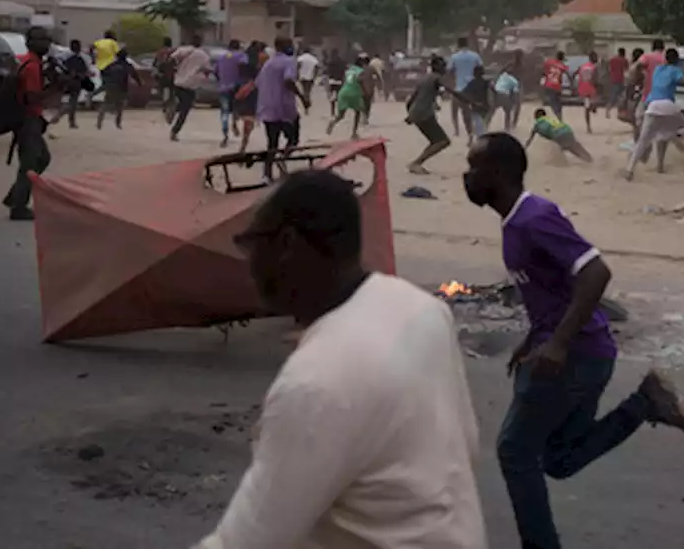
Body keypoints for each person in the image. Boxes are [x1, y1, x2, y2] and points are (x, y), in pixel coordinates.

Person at [199, 170, 486, 549]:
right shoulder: (421, 308)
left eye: (252, 245)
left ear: (286, 244)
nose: (249, 266)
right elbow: (466, 442)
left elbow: (247, 541)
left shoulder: (314, 382)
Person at [463, 133, 684, 549]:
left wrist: (556, 344)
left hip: (575, 356)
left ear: (497, 173)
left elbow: (596, 274)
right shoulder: (516, 222)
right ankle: (646, 402)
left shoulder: (533, 218)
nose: (466, 176)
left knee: (515, 453)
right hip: (583, 353)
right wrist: (533, 338)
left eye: (473, 167)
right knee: (557, 459)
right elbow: (552, 291)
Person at [625, 48, 684, 180]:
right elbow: (683, 81)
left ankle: (630, 169)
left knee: (643, 141)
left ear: (665, 59)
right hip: (669, 107)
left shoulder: (657, 70)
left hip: (652, 107)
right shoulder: (675, 70)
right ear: (677, 61)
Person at [3, 27, 53, 222]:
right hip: (27, 119)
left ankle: (15, 196)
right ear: (32, 42)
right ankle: (19, 206)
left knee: (42, 158)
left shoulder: (25, 60)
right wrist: (53, 90)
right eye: (43, 41)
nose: (47, 45)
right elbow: (32, 97)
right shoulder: (32, 66)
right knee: (31, 162)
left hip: (25, 118)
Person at [256, 37, 308, 182]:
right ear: (285, 46)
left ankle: (266, 174)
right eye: (290, 45)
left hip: (267, 109)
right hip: (285, 109)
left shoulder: (268, 64)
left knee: (272, 143)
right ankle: (283, 158)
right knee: (293, 138)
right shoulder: (288, 61)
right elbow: (288, 80)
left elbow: (259, 83)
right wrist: (302, 97)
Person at [405, 55, 467, 174]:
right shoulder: (437, 78)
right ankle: (416, 163)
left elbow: (411, 99)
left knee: (436, 140)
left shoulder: (424, 78)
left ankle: (417, 163)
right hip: (424, 114)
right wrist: (469, 101)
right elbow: (452, 91)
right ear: (437, 67)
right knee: (443, 141)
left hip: (417, 113)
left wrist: (410, 115)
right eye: (443, 66)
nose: (445, 68)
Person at [167, 35, 212, 142]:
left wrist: (175, 68)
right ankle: (174, 131)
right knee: (185, 110)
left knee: (182, 103)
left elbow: (171, 59)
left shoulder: (183, 50)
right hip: (190, 85)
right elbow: (207, 69)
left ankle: (174, 108)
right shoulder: (203, 55)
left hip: (178, 82)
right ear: (201, 43)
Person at [95, 49, 141, 131]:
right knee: (120, 106)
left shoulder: (112, 65)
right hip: (122, 88)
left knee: (105, 104)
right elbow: (135, 75)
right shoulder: (127, 65)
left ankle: (99, 121)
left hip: (111, 86)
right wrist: (139, 83)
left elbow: (103, 72)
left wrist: (105, 82)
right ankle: (118, 123)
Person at [526, 107, 593, 163]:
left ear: (536, 117)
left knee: (561, 152)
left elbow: (529, 140)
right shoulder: (552, 119)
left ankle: (562, 163)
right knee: (576, 147)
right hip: (568, 131)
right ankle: (590, 160)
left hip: (558, 135)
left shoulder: (537, 125)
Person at [448, 37, 483, 137]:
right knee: (470, 112)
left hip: (459, 89)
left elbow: (449, 71)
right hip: (473, 89)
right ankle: (472, 132)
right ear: (468, 44)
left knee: (454, 110)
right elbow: (481, 68)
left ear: (458, 45)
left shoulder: (454, 57)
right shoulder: (475, 56)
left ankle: (456, 130)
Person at [52, 39, 90, 129]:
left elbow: (62, 68)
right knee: (73, 102)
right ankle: (60, 115)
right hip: (76, 82)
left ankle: (71, 122)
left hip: (66, 81)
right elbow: (84, 71)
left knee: (71, 101)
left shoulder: (65, 57)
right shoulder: (81, 59)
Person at [327, 55, 367, 140]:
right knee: (357, 112)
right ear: (362, 64)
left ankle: (332, 123)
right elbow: (360, 81)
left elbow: (344, 81)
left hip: (344, 92)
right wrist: (365, 92)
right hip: (354, 93)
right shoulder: (361, 71)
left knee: (341, 115)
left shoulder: (348, 71)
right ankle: (354, 133)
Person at [215, 39, 244, 148]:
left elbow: (216, 72)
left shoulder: (221, 57)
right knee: (237, 108)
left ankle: (225, 134)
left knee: (224, 111)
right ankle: (235, 123)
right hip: (237, 87)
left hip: (223, 87)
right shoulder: (241, 56)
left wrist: (221, 81)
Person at [232, 47, 261, 154]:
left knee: (237, 105)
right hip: (252, 91)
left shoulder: (242, 65)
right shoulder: (258, 67)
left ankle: (234, 122)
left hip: (242, 88)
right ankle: (243, 146)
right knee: (248, 124)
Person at [462, 64, 492, 140]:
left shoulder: (472, 83)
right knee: (482, 124)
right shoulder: (486, 82)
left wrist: (470, 102)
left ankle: (478, 139)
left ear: (474, 74)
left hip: (476, 107)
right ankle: (481, 137)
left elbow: (464, 93)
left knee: (478, 125)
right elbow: (494, 91)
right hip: (485, 107)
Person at [539, 50, 569, 119]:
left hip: (549, 85)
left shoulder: (549, 62)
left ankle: (559, 117)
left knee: (553, 103)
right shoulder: (563, 66)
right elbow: (565, 75)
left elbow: (543, 68)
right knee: (558, 103)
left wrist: (545, 74)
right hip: (557, 86)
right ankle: (560, 117)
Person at [492, 64, 521, 131]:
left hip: (496, 94)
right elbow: (515, 93)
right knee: (508, 112)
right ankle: (507, 127)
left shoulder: (501, 76)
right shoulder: (514, 81)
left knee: (491, 111)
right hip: (504, 95)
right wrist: (514, 102)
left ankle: (485, 125)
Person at [576, 51, 600, 134]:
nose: (597, 59)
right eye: (596, 57)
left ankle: (588, 126)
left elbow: (579, 77)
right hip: (591, 88)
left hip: (583, 88)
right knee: (594, 103)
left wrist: (578, 88)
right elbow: (595, 79)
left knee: (586, 108)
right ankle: (593, 108)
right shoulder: (594, 67)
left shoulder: (583, 66)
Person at [153, 37, 176, 120]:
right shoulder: (174, 51)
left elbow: (155, 64)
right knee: (172, 92)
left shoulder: (159, 52)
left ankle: (164, 102)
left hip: (162, 75)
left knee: (162, 89)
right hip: (172, 75)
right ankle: (170, 104)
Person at [605, 47, 629, 119]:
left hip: (613, 80)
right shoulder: (624, 60)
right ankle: (620, 112)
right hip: (621, 80)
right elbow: (627, 69)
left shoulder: (612, 60)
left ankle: (607, 111)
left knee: (613, 97)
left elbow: (608, 68)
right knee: (622, 97)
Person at [324, 48, 347, 114]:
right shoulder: (342, 61)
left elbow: (327, 71)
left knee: (332, 97)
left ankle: (332, 111)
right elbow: (345, 70)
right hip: (340, 80)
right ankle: (340, 110)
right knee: (340, 96)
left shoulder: (330, 62)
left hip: (332, 81)